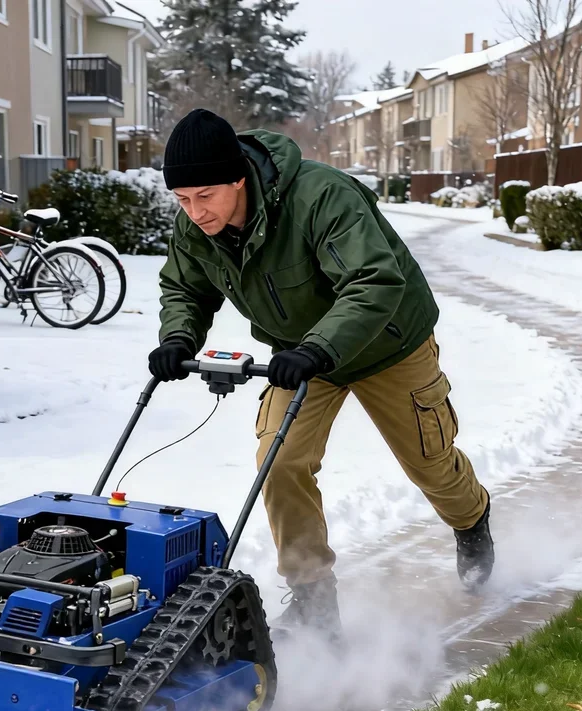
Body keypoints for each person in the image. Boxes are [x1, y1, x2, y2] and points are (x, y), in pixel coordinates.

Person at [149, 108, 493, 635]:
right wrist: (178, 337)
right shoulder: (196, 227)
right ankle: (314, 599)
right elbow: (185, 288)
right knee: (279, 461)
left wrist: (317, 348)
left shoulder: (321, 196)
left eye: (205, 196)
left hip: (389, 343)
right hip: (301, 355)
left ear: (238, 179)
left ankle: (471, 520)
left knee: (430, 463)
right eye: (182, 199)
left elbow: (372, 281)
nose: (195, 212)